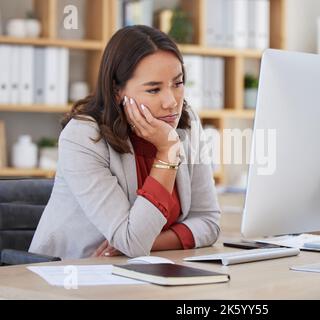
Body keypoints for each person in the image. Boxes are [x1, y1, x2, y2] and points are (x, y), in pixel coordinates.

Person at [29, 26, 221, 259]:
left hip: (143, 272)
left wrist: (150, 243)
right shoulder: (82, 137)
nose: (171, 102)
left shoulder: (186, 123)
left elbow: (209, 221)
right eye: (154, 89)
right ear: (117, 91)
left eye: (177, 83)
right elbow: (133, 242)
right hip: (71, 277)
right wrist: (167, 152)